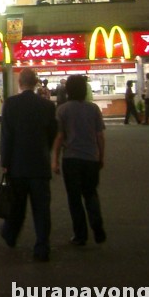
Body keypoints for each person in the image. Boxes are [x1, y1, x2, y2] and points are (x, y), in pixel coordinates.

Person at [0, 68, 58, 262]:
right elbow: (52, 134)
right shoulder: (47, 106)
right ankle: (42, 246)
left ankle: (10, 235)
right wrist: (45, 151)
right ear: (35, 83)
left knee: (17, 205)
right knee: (42, 209)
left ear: (20, 83)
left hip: (17, 164)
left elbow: (7, 136)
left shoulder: (11, 104)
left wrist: (5, 162)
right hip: (39, 164)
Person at [52, 74, 107, 247]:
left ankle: (80, 235)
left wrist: (55, 159)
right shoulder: (93, 109)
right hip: (91, 157)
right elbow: (100, 136)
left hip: (71, 159)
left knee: (74, 198)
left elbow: (60, 137)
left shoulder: (62, 110)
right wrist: (101, 156)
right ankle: (97, 226)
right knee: (90, 193)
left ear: (68, 90)